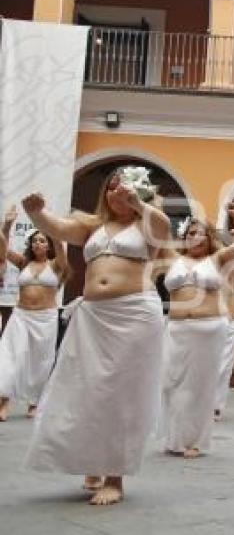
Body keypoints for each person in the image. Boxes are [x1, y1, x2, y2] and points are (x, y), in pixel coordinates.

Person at [21, 166, 170, 505]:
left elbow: (162, 230)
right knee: (87, 390)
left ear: (139, 193)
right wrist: (36, 212)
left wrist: (141, 203)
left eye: (126, 188)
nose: (117, 192)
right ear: (105, 192)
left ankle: (114, 477)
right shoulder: (92, 226)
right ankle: (92, 460)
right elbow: (57, 228)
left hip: (134, 313)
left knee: (121, 394)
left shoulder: (146, 221)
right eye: (113, 187)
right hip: (93, 317)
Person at [159, 208, 234, 458]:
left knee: (200, 386)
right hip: (176, 327)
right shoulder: (171, 256)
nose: (194, 237)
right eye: (190, 232)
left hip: (208, 327)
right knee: (170, 383)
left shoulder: (217, 259)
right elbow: (153, 233)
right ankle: (174, 437)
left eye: (200, 233)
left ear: (209, 238)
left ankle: (195, 442)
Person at [0, 206, 70, 421]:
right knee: (10, 356)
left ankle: (34, 402)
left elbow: (60, 246)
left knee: (42, 360)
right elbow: (2, 252)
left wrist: (49, 225)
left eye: (42, 240)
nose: (38, 243)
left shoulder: (57, 266)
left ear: (48, 244)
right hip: (21, 316)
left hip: (45, 318)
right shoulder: (23, 263)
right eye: (35, 240)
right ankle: (4, 401)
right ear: (30, 245)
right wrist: (8, 224)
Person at [214, 249, 234, 421]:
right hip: (211, 319)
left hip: (231, 319)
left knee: (224, 366)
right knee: (211, 364)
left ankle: (216, 405)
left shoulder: (231, 267)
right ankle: (205, 404)